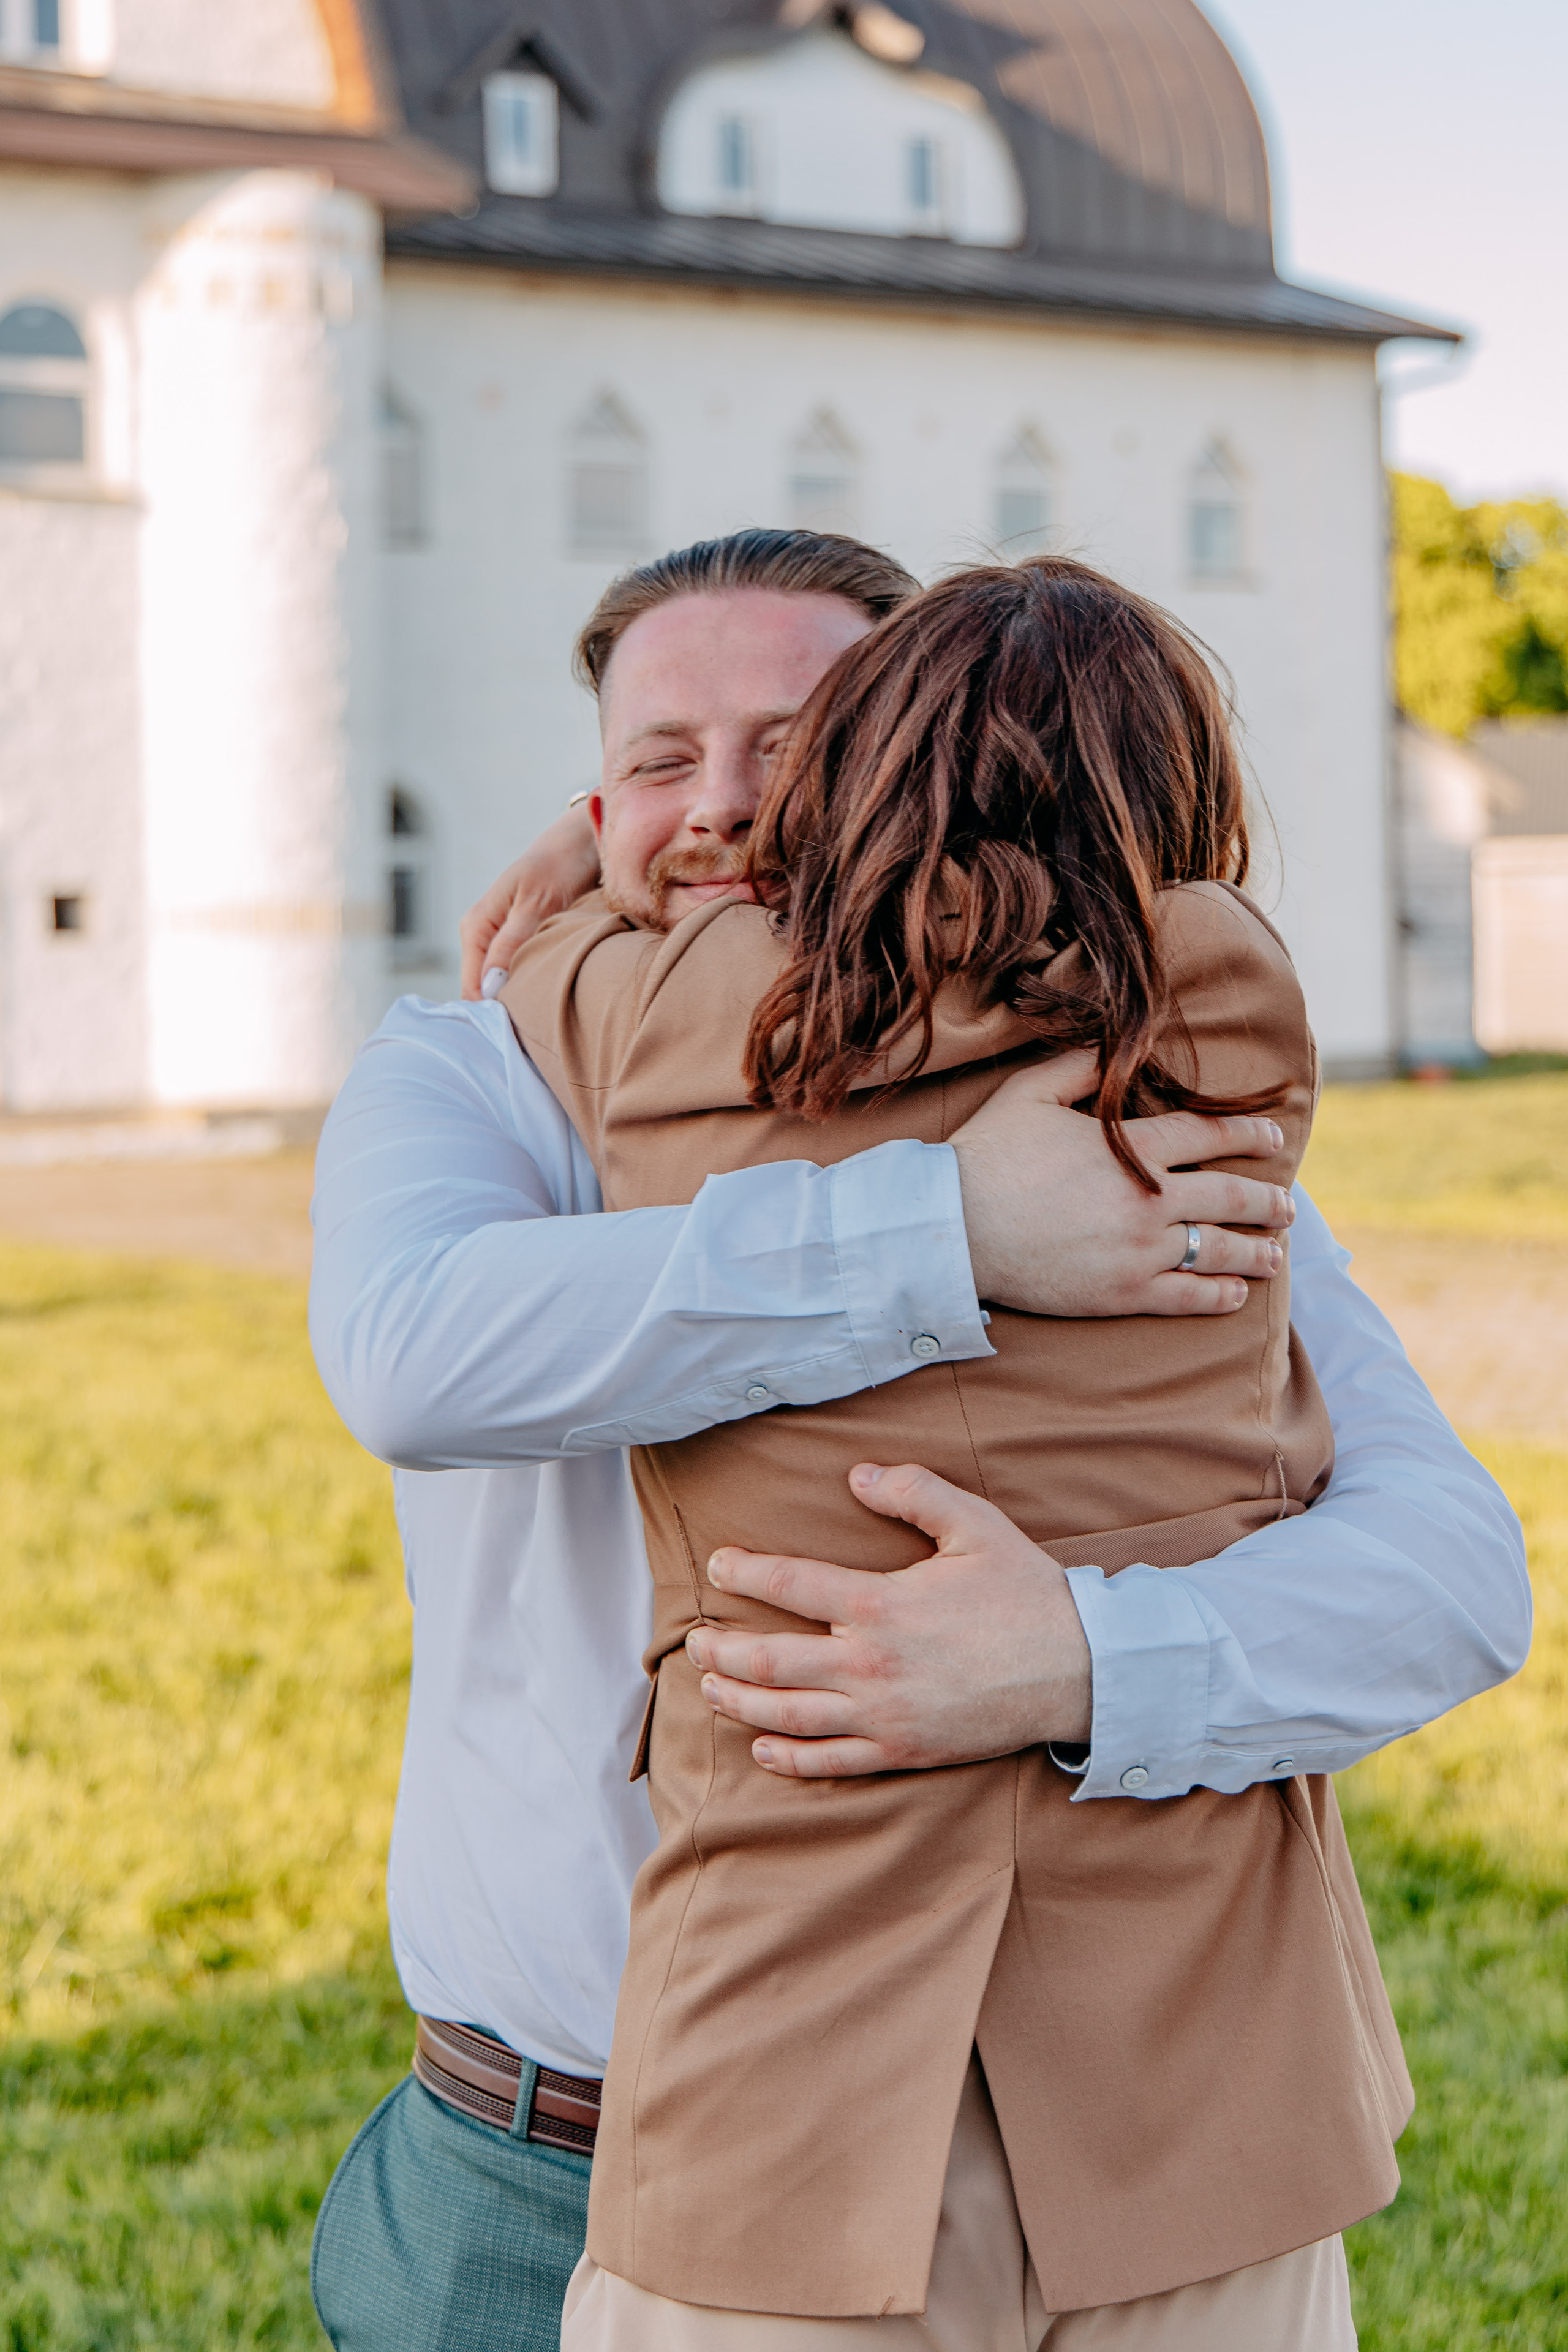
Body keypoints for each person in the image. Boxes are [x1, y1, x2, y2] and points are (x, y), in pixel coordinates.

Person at [306, 529, 1529, 2352]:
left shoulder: (1129, 1104)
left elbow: (1453, 1571)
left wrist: (1084, 1660)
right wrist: (948, 1229)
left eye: (791, 746)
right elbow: (415, 1357)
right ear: (595, 798)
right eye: (660, 761)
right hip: (582, 2145)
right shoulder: (480, 1065)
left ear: (922, 775)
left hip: (1123, 2134)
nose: (724, 808)